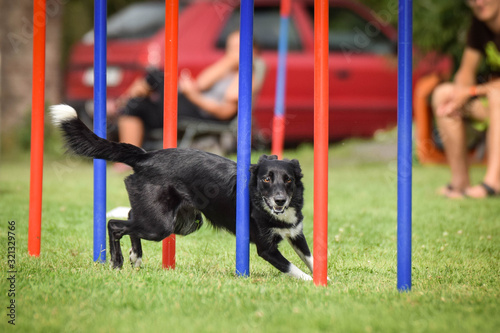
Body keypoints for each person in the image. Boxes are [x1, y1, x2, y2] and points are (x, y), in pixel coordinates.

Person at [117, 30, 259, 150]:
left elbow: (224, 112)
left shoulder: (248, 75)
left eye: (237, 48)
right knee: (135, 105)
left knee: (158, 76)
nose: (232, 53)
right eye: (230, 48)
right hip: (191, 104)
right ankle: (125, 158)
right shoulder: (227, 69)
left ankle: (120, 101)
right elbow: (201, 84)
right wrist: (227, 63)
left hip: (201, 113)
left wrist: (193, 95)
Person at [432, 0, 500, 198]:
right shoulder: (479, 24)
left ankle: (493, 183)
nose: (478, 2)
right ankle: (459, 183)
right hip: (493, 105)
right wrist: (457, 95)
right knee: (442, 94)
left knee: (497, 96)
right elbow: (466, 71)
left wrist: (470, 92)